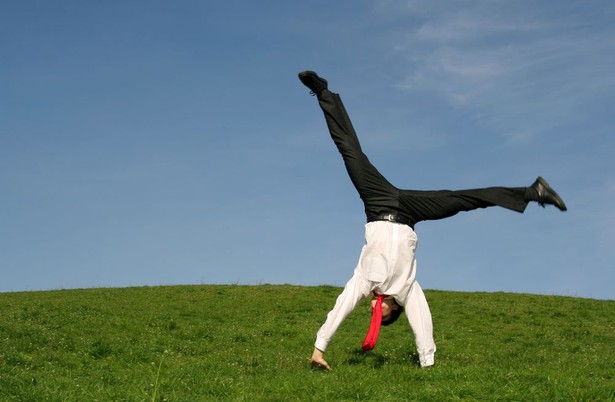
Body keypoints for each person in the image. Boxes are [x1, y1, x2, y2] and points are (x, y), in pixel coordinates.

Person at [297, 70, 567, 371]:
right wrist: (427, 362)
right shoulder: (407, 288)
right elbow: (421, 320)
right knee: (462, 200)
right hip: (409, 213)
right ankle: (534, 192)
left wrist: (318, 348)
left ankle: (534, 191)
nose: (376, 308)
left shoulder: (363, 281)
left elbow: (343, 305)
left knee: (352, 155)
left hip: (378, 205)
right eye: (383, 314)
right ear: (393, 310)